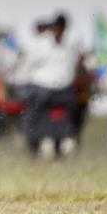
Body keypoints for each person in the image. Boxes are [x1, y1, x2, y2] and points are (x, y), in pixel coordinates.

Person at [21, 13, 82, 157]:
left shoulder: (71, 44)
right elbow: (28, 65)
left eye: (62, 28)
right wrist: (27, 84)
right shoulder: (40, 44)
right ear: (53, 28)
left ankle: (66, 140)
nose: (59, 32)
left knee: (72, 115)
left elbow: (75, 63)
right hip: (42, 86)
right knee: (35, 116)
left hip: (63, 88)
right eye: (57, 28)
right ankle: (32, 143)